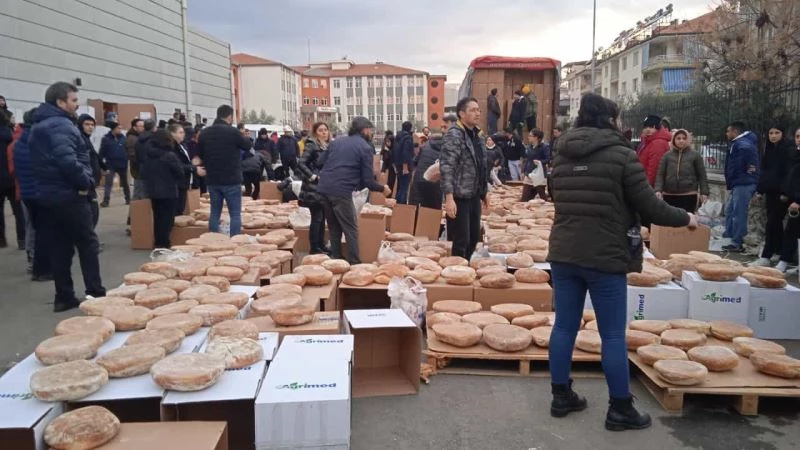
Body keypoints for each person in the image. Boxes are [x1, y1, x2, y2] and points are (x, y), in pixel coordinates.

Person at [547, 93, 694, 431]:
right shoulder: (622, 156)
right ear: (610, 120)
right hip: (606, 255)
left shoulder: (562, 155)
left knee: (564, 326)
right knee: (613, 334)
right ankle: (620, 408)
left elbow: (556, 196)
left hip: (564, 253)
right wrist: (684, 217)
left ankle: (560, 395)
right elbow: (650, 206)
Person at [28, 82, 105, 312]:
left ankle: (64, 296)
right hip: (70, 195)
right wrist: (87, 182)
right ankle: (95, 293)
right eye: (73, 100)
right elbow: (67, 161)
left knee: (60, 246)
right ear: (60, 102)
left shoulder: (38, 126)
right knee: (87, 243)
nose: (77, 104)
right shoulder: (60, 126)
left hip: (49, 195)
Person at [317, 117, 391, 264]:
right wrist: (383, 188)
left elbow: (320, 162)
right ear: (364, 130)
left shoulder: (336, 142)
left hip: (324, 189)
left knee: (334, 227)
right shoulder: (365, 147)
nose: (372, 133)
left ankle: (336, 260)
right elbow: (367, 181)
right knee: (351, 228)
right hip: (341, 191)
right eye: (370, 129)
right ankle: (354, 263)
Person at [441, 97, 489, 260]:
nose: (477, 113)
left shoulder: (477, 135)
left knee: (474, 238)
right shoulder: (454, 135)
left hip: (474, 194)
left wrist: (484, 192)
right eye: (472, 110)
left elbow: (482, 165)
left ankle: (466, 266)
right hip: (459, 196)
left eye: (478, 110)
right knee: (462, 240)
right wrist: (449, 197)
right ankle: (458, 271)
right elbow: (447, 167)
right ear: (462, 114)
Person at [197, 105, 252, 236]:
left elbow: (201, 154)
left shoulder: (204, 133)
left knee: (215, 212)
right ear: (229, 116)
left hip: (212, 179)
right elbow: (247, 146)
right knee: (235, 214)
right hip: (231, 178)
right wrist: (246, 136)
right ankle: (235, 241)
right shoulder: (233, 132)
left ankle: (212, 240)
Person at [13, 108, 52, 280]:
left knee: (36, 229)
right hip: (38, 192)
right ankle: (40, 269)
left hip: (28, 191)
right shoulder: (35, 140)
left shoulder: (21, 140)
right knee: (41, 231)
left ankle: (37, 266)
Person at [752, 125, 793, 267]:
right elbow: (765, 172)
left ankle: (766, 256)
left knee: (772, 223)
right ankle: (778, 251)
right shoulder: (769, 150)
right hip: (770, 192)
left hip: (782, 194)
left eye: (777, 132)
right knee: (774, 224)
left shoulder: (787, 150)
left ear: (783, 134)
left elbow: (788, 174)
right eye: (770, 133)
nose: (773, 135)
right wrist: (760, 190)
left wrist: (785, 192)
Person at [143, 129, 185, 248]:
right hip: (168, 191)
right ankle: (164, 243)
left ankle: (158, 242)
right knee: (167, 219)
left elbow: (144, 172)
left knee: (157, 217)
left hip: (153, 191)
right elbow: (179, 172)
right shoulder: (169, 155)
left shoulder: (148, 154)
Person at [723, 121, 760, 252]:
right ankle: (731, 237)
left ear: (735, 131)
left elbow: (748, 165)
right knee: (730, 211)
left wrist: (743, 177)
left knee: (739, 213)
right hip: (738, 182)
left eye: (728, 131)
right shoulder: (738, 144)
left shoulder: (743, 145)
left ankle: (737, 242)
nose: (726, 134)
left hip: (743, 183)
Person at [654, 129, 710, 213]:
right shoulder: (667, 156)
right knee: (670, 222)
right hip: (669, 195)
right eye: (678, 138)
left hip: (689, 195)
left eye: (684, 138)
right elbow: (660, 174)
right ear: (674, 140)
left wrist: (704, 192)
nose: (681, 141)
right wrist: (658, 189)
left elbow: (702, 175)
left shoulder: (695, 155)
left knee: (687, 221)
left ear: (687, 140)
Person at [297, 122, 331, 254]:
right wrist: (312, 176)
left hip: (322, 188)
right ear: (315, 132)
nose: (324, 132)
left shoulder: (326, 146)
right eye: (320, 130)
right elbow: (301, 163)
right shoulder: (312, 145)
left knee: (322, 218)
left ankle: (321, 244)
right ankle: (314, 247)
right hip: (312, 188)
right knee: (317, 218)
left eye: (325, 130)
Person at [774, 128, 800, 272]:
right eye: (797, 136)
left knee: (792, 231)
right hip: (792, 199)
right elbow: (790, 178)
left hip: (797, 201)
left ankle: (784, 261)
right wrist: (785, 192)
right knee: (791, 231)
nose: (799, 139)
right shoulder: (794, 155)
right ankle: (785, 261)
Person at [0, 110, 24, 249]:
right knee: (19, 211)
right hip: (12, 178)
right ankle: (22, 240)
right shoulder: (12, 136)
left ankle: (1, 240)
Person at [77, 115, 105, 229]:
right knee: (90, 212)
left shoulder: (86, 139)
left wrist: (103, 166)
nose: (90, 127)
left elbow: (94, 156)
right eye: (87, 124)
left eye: (92, 125)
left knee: (92, 212)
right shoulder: (80, 139)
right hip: (85, 182)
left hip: (91, 181)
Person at [409, 128, 443, 210]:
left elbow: (415, 162)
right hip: (435, 183)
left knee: (415, 208)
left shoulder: (425, 146)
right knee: (433, 210)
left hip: (420, 179)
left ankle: (416, 221)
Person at [169, 123, 199, 215]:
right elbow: (178, 165)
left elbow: (186, 160)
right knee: (176, 209)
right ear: (172, 134)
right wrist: (194, 168)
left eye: (183, 132)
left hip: (185, 181)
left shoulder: (182, 145)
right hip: (176, 182)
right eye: (180, 132)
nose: (183, 134)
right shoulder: (171, 147)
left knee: (181, 207)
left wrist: (193, 162)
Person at [98, 122, 130, 207]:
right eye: (118, 128)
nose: (120, 130)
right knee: (108, 183)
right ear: (113, 129)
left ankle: (128, 199)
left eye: (120, 128)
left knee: (125, 183)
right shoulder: (106, 139)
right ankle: (106, 201)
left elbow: (127, 149)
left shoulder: (123, 138)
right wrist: (101, 164)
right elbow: (101, 152)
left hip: (122, 164)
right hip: (110, 165)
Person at [638, 115, 672, 187]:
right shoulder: (649, 141)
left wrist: (646, 187)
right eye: (646, 127)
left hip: (650, 187)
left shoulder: (658, 143)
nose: (648, 129)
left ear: (657, 127)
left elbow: (654, 169)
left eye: (651, 127)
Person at [521, 128, 551, 201]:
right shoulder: (529, 147)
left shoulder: (544, 147)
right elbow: (526, 160)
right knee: (525, 198)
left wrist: (540, 162)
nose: (528, 137)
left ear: (536, 137)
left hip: (539, 175)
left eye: (530, 135)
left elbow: (548, 159)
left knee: (542, 197)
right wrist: (523, 171)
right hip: (529, 174)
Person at [393, 121, 415, 204]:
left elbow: (395, 151)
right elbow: (406, 152)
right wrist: (405, 167)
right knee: (404, 188)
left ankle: (400, 205)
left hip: (398, 165)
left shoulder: (397, 137)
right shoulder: (407, 138)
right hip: (405, 166)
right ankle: (400, 206)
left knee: (401, 186)